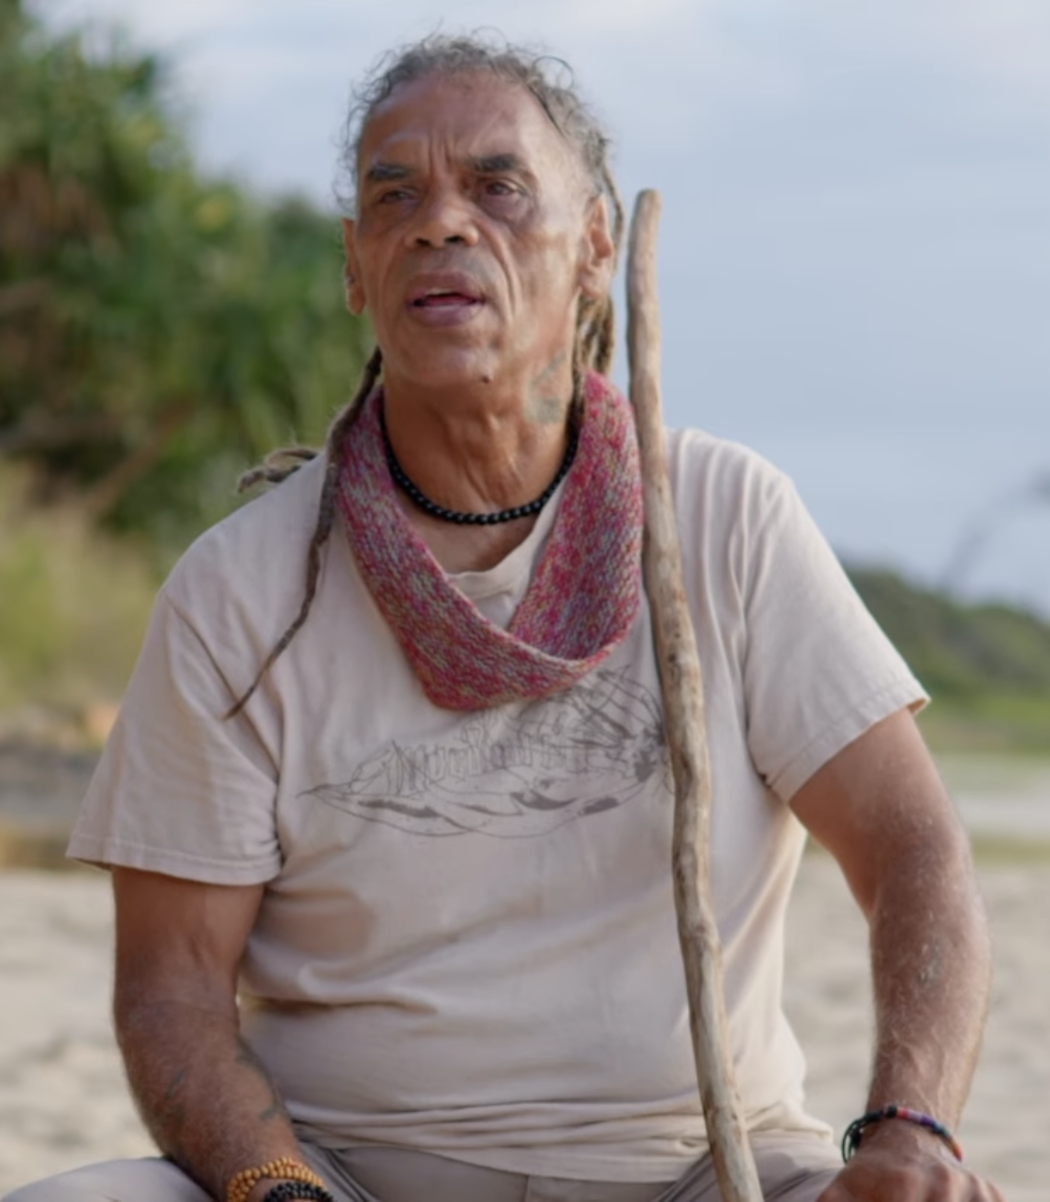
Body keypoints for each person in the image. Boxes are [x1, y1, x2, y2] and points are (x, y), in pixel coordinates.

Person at [7, 33, 1002, 1202]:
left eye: (497, 186)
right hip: (344, 1175)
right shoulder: (241, 591)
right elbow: (172, 988)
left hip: (704, 1171)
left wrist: (911, 1129)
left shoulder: (723, 518)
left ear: (595, 245)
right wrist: (278, 1187)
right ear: (355, 266)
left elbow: (914, 851)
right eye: (395, 196)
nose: (440, 222)